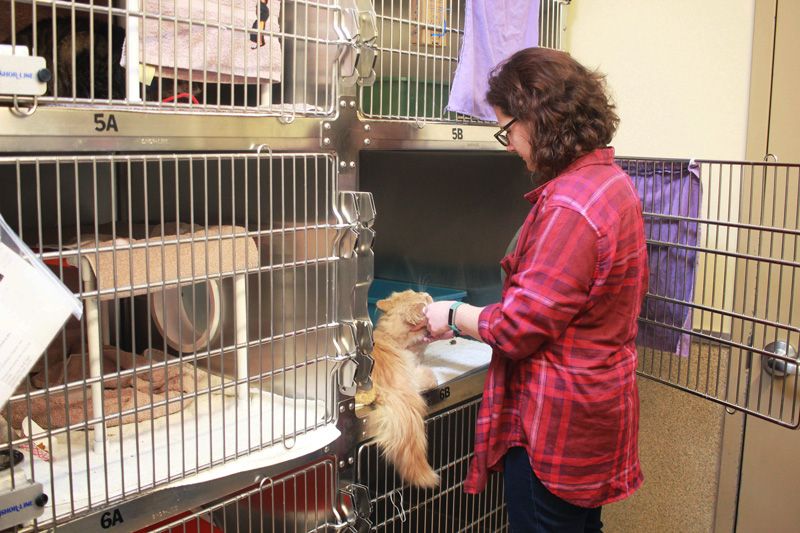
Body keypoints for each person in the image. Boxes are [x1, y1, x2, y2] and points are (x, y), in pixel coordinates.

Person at [424, 47, 648, 532]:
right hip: (599, 409)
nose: (508, 145)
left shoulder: (569, 208)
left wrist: (453, 315)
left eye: (508, 129)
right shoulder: (610, 182)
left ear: (539, 119)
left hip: (558, 425)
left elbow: (520, 327)